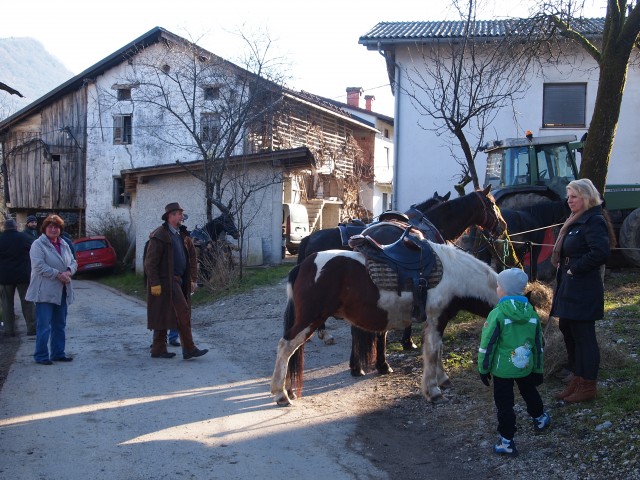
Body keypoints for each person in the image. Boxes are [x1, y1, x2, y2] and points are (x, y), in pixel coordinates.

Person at [551, 178, 611, 403]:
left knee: (584, 336)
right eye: (568, 196)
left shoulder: (594, 220)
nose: (569, 201)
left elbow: (600, 252)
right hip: (570, 284)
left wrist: (574, 268)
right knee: (568, 328)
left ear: (586, 197)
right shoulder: (575, 220)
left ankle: (588, 385)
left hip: (583, 287)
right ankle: (577, 377)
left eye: (573, 196)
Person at [478, 268, 549, 456]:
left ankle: (507, 441)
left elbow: (487, 345)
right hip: (525, 366)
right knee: (529, 391)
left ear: (505, 290)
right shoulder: (532, 313)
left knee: (505, 405)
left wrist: (483, 369)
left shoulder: (497, 314)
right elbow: (537, 344)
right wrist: (538, 369)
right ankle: (540, 418)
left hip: (502, 370)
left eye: (499, 285)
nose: (497, 288)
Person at [144, 202, 208, 360]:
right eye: (179, 214)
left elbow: (192, 257)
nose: (181, 216)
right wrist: (155, 283)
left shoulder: (182, 235)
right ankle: (189, 348)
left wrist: (192, 279)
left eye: (181, 214)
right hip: (166, 281)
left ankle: (158, 349)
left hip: (180, 280)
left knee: (164, 313)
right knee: (182, 313)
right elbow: (150, 262)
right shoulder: (159, 235)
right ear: (170, 216)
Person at [26, 214, 77, 365]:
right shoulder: (38, 244)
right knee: (44, 326)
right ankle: (41, 355)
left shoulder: (64, 244)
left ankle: (58, 353)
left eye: (56, 227)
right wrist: (58, 274)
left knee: (59, 324)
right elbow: (38, 265)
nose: (53, 229)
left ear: (60, 229)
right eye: (50, 226)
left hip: (62, 290)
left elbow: (74, 261)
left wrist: (68, 271)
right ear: (44, 228)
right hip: (45, 291)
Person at [0, 219, 37, 336]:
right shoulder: (23, 238)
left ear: (4, 228)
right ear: (16, 227)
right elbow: (34, 252)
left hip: (4, 277)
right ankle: (31, 328)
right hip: (23, 275)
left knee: (7, 304)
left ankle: (9, 330)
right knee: (27, 302)